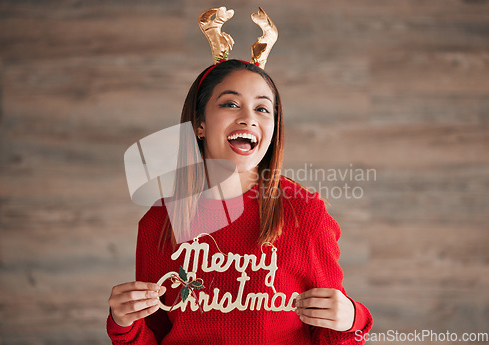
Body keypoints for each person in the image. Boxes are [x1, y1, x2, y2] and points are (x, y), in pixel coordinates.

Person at [107, 7, 372, 345]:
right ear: (200, 124)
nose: (249, 117)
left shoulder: (304, 213)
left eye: (263, 108)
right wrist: (124, 323)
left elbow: (335, 334)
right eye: (230, 104)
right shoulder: (159, 221)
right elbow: (153, 334)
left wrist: (352, 318)